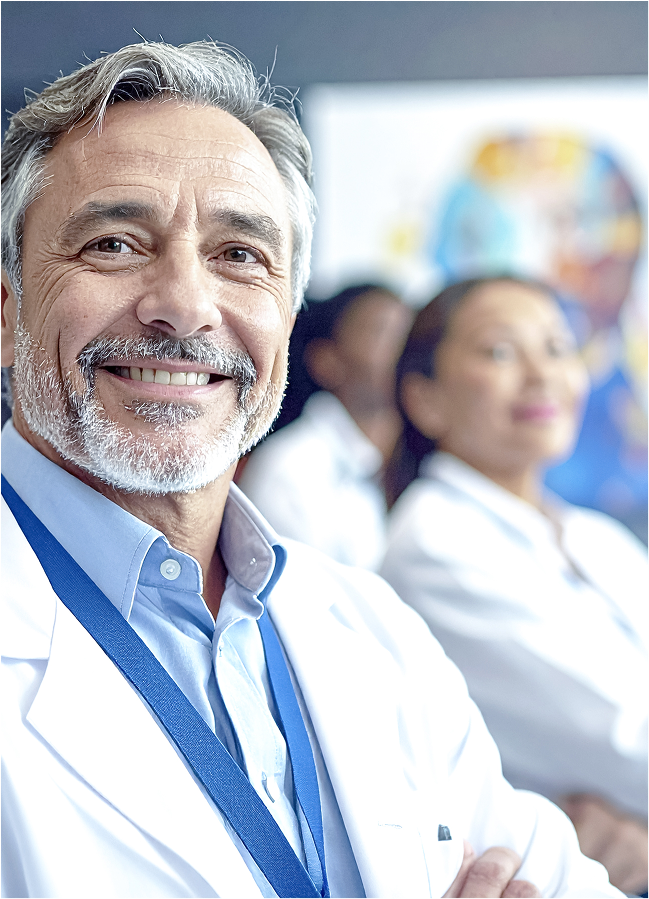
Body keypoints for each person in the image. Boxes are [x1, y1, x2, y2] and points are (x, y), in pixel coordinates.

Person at [0, 40, 622, 899]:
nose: (184, 303)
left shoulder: (368, 628)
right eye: (112, 243)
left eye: (240, 255)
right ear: (8, 312)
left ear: (286, 317)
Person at [380, 276, 649, 894]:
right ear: (425, 399)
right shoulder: (436, 548)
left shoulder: (592, 535)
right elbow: (624, 740)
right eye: (501, 352)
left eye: (558, 347)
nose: (542, 374)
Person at [238, 284, 412, 569]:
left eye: (409, 333)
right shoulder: (291, 469)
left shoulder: (410, 456)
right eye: (383, 334)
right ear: (326, 361)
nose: (403, 350)